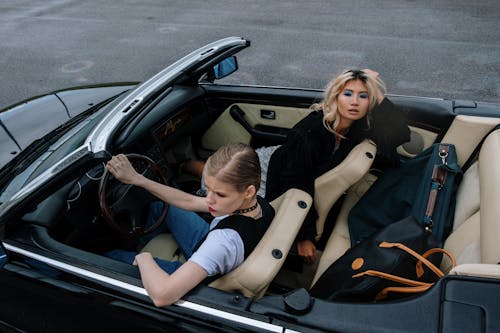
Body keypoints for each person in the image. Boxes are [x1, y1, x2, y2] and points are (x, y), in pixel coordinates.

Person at [183, 69, 410, 264]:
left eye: (363, 96)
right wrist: (305, 236)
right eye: (348, 93)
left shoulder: (360, 125)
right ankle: (183, 166)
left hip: (290, 168)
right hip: (273, 171)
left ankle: (187, 168)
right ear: (336, 96)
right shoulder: (311, 130)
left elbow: (401, 134)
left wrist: (376, 92)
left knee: (221, 188)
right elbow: (296, 181)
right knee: (218, 188)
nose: (354, 102)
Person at [105, 143, 275, 307]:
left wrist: (144, 258)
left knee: (111, 256)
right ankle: (139, 243)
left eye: (220, 194)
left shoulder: (221, 242)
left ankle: (137, 250)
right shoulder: (258, 204)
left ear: (249, 191)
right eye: (207, 188)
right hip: (221, 244)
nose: (209, 199)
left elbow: (162, 296)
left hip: (204, 274)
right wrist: (138, 179)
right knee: (161, 207)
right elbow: (189, 201)